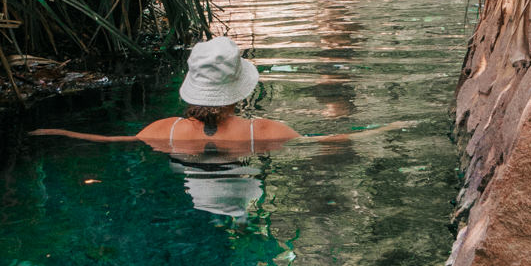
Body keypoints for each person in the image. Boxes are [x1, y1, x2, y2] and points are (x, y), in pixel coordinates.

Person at [33, 37, 407, 160]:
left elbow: (113, 140)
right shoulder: (264, 131)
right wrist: (390, 126)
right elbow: (326, 139)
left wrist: (61, 133)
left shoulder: (165, 130)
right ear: (238, 88)